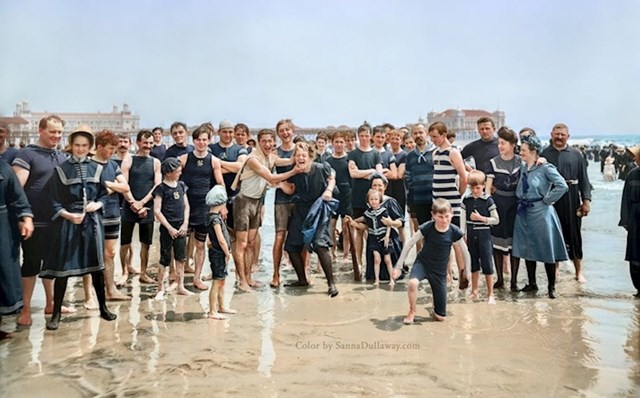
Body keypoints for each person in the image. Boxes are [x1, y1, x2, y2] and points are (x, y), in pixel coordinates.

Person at [39, 126, 116, 330]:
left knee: (97, 266)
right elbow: (53, 201)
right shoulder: (61, 169)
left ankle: (103, 308)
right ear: (71, 146)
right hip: (70, 222)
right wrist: (68, 215)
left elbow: (103, 195)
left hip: (93, 223)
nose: (80, 149)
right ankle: (56, 314)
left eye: (84, 145)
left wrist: (97, 205)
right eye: (76, 145)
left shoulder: (97, 168)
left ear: (90, 147)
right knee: (63, 270)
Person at [12, 115, 73, 326]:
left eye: (59, 132)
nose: (57, 136)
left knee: (52, 266)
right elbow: (16, 189)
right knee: (30, 265)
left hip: (57, 221)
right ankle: (26, 309)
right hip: (34, 222)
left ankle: (51, 303)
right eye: (52, 131)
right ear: (40, 130)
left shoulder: (62, 157)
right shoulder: (27, 153)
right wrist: (23, 217)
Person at [232, 129, 301, 292]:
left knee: (250, 243)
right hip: (243, 202)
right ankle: (241, 280)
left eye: (271, 141)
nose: (268, 144)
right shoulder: (253, 159)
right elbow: (271, 178)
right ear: (258, 142)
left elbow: (289, 159)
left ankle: (248, 277)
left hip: (257, 203)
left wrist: (299, 150)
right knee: (241, 244)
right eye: (264, 141)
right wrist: (293, 172)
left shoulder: (271, 157)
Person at [392, 199, 470, 324]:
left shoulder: (454, 231)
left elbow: (465, 251)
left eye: (446, 216)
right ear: (433, 215)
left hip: (439, 271)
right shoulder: (427, 227)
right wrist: (398, 266)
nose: (444, 220)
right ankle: (412, 311)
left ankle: (435, 305)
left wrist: (468, 271)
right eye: (440, 217)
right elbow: (409, 244)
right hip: (423, 264)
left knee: (440, 318)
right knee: (412, 283)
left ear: (452, 213)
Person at [512, 135, 569, 299]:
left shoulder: (545, 167)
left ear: (532, 151)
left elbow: (562, 185)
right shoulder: (524, 167)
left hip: (541, 212)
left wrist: (547, 199)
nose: (520, 152)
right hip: (523, 211)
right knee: (527, 247)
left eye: (523, 150)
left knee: (546, 248)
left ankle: (551, 287)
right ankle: (532, 283)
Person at [280, 142, 339, 297]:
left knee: (320, 245)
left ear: (310, 157)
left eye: (303, 155)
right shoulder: (294, 172)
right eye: (298, 155)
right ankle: (302, 280)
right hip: (301, 210)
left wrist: (328, 190)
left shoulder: (320, 168)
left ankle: (331, 284)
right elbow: (291, 189)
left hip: (319, 209)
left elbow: (332, 179)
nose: (300, 158)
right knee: (291, 247)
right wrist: (278, 182)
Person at [541, 123, 592, 283]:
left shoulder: (576, 154)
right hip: (552, 199)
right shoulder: (544, 155)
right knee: (554, 235)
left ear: (568, 136)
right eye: (557, 134)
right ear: (551, 134)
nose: (559, 137)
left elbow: (584, 180)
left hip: (572, 198)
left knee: (575, 235)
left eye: (562, 134)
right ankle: (555, 270)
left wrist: (586, 201)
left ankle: (579, 272)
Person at [178, 123, 224, 290]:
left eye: (205, 140)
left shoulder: (214, 160)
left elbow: (220, 185)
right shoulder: (184, 159)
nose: (202, 143)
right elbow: (172, 181)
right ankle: (179, 280)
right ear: (194, 140)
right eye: (198, 140)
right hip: (185, 206)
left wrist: (222, 207)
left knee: (200, 244)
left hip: (204, 208)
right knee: (181, 243)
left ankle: (197, 278)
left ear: (209, 141)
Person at [91, 130, 133, 301]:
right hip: (95, 214)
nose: (113, 152)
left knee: (110, 253)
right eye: (110, 148)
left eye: (114, 149)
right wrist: (112, 186)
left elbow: (126, 187)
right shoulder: (88, 165)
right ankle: (90, 295)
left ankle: (111, 290)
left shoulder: (113, 165)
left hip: (113, 213)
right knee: (92, 254)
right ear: (99, 146)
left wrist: (107, 185)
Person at [120, 130, 162, 285]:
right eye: (145, 143)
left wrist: (142, 203)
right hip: (128, 205)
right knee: (125, 242)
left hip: (147, 207)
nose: (148, 146)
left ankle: (143, 273)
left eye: (151, 143)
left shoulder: (156, 162)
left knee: (146, 243)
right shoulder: (128, 160)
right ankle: (124, 271)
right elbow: (123, 184)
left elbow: (157, 186)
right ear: (138, 142)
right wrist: (133, 203)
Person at [0, 159, 33, 339]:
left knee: (3, 275)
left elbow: (18, 197)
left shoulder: (4, 167)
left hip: (3, 230)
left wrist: (26, 218)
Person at [485, 126, 521, 291]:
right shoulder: (493, 162)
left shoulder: (521, 162)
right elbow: (487, 188)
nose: (500, 146)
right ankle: (500, 279)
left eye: (503, 143)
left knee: (515, 245)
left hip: (516, 205)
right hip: (498, 204)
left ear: (512, 144)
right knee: (497, 244)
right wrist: (488, 206)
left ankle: (514, 281)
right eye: (499, 143)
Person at [153, 157, 192, 300]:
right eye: (177, 171)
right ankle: (160, 288)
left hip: (181, 226)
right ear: (168, 173)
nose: (180, 173)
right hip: (167, 227)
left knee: (181, 258)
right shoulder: (161, 189)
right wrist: (169, 228)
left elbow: (186, 205)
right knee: (165, 258)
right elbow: (157, 210)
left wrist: (185, 223)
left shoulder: (181, 185)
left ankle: (180, 285)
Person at [460, 170, 499, 304]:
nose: (475, 191)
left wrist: (481, 218)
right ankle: (474, 291)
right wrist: (462, 235)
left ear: (483, 185)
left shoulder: (488, 200)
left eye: (477, 188)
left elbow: (496, 219)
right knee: (474, 264)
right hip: (471, 234)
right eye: (472, 188)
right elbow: (462, 221)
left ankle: (490, 294)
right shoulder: (466, 200)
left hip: (484, 235)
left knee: (487, 264)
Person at [348, 124, 383, 264]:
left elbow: (379, 174)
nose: (364, 138)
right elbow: (353, 173)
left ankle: (372, 261)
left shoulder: (375, 153)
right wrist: (371, 171)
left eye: (366, 135)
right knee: (359, 230)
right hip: (357, 196)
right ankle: (358, 262)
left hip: (373, 198)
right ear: (358, 137)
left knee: (373, 231)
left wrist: (365, 172)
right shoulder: (353, 154)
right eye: (361, 136)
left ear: (370, 136)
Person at [272, 119, 298, 288]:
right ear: (278, 133)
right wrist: (281, 184)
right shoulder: (275, 153)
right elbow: (269, 176)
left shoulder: (300, 149)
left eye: (287, 129)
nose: (285, 133)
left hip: (299, 197)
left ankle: (303, 272)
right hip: (281, 198)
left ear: (292, 131)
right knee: (280, 236)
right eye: (281, 130)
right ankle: (275, 274)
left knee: (301, 236)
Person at [205, 185, 237, 319]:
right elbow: (221, 239)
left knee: (222, 280)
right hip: (219, 253)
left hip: (217, 251)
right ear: (221, 202)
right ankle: (213, 311)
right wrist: (227, 252)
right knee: (217, 281)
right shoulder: (215, 219)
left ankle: (222, 306)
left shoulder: (211, 216)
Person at [350, 189, 395, 287]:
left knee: (387, 259)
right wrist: (353, 221)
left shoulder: (384, 211)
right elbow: (363, 218)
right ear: (368, 201)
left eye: (376, 199)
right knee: (377, 259)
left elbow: (389, 224)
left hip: (384, 238)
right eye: (371, 199)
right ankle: (377, 279)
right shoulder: (367, 213)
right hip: (373, 238)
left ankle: (392, 279)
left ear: (380, 200)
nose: (374, 201)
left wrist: (387, 236)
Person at [325, 130, 353, 261]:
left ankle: (347, 254)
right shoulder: (328, 161)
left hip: (347, 194)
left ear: (345, 144)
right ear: (332, 143)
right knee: (331, 225)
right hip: (333, 194)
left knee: (346, 227)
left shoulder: (349, 159)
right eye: (336, 142)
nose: (339, 144)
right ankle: (333, 252)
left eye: (342, 142)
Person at [619, 144, 640, 297]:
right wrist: (625, 220)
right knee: (635, 256)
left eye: (636, 156)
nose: (634, 158)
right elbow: (625, 198)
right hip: (635, 218)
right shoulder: (632, 174)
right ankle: (639, 288)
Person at [404, 123, 435, 225]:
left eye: (421, 132)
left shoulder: (435, 152)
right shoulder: (410, 156)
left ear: (426, 133)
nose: (418, 135)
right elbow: (408, 177)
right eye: (415, 133)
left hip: (436, 198)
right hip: (419, 200)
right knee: (424, 231)